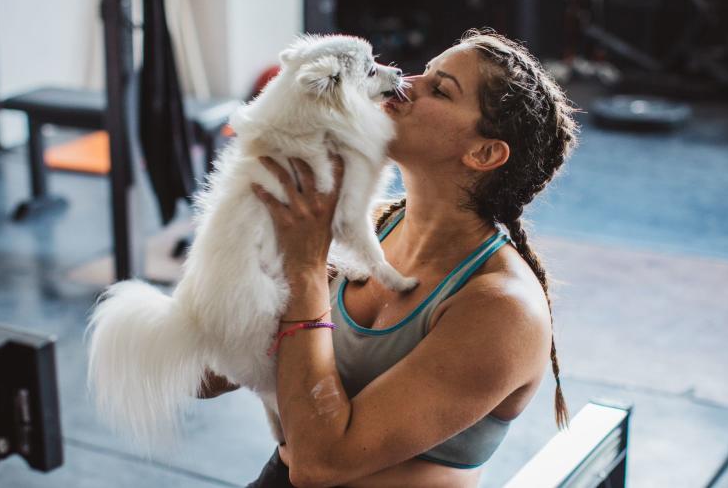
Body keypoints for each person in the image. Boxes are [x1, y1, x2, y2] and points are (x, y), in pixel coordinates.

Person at [201, 28, 579, 487]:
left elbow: (321, 464)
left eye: (438, 89)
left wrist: (304, 272)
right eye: (426, 71)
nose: (408, 83)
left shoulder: (502, 308)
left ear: (484, 153)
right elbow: (204, 378)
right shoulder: (365, 224)